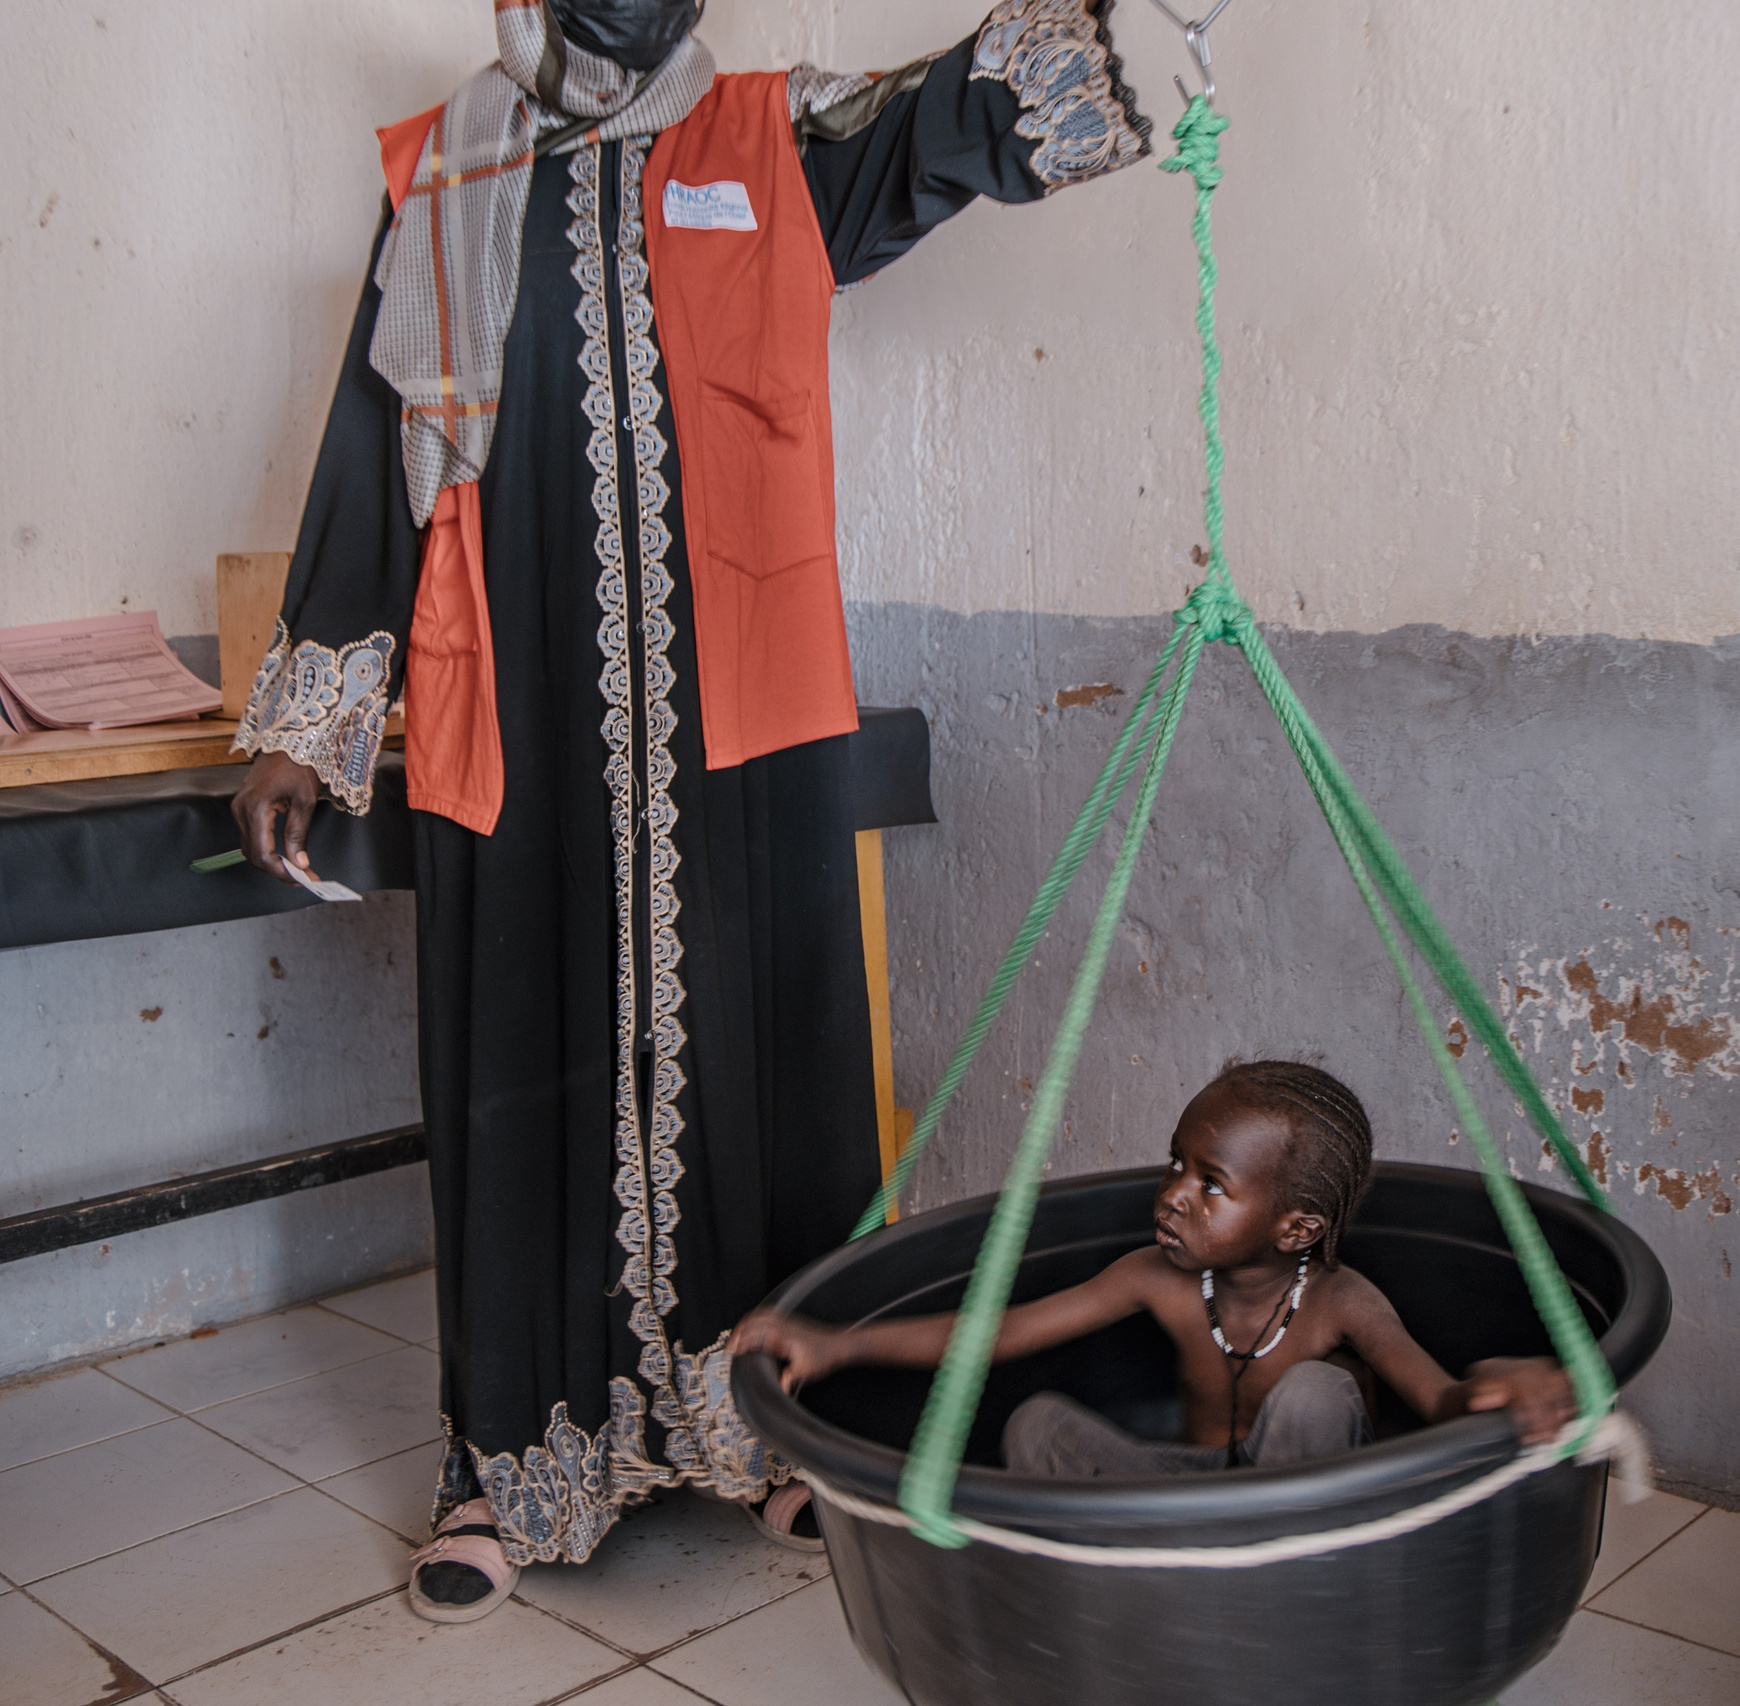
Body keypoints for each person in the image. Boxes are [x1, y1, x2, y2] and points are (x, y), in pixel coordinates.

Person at [225, 0, 1149, 1622]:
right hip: (510, 698)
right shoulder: (445, 174)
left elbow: (948, 125)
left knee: (766, 1055)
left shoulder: (770, 141)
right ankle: (505, 1460)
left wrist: (1122, 26)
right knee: (518, 1058)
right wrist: (312, 714)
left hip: (740, 717)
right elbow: (375, 444)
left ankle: (775, 1430)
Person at [733, 1060, 1579, 1473]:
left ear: (1295, 1227)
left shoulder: (1342, 1303)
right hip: (1179, 1499)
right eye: (1177, 1164)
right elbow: (996, 1330)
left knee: (1320, 1392)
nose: (1173, 1194)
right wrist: (840, 1344)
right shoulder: (1156, 1277)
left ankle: (1258, 1583)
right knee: (1037, 1426)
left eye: (1212, 1185)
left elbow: (1439, 1403)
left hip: (1310, 1510)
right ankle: (1143, 1577)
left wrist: (1500, 1384)